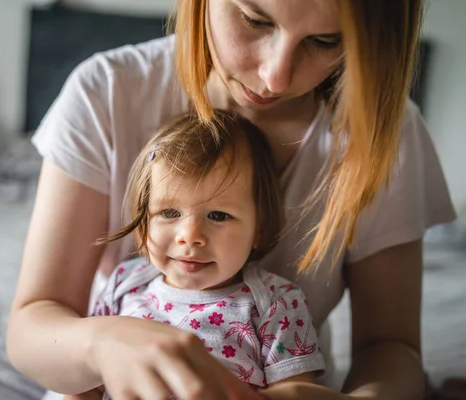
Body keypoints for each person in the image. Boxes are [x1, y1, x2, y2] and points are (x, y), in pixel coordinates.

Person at [7, 0, 456, 399]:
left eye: (323, 40)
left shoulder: (384, 135)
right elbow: (33, 326)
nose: (275, 75)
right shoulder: (105, 91)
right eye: (254, 20)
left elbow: (390, 348)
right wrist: (101, 345)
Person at [63, 110, 326, 400]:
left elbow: (299, 390)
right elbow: (87, 383)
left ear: (259, 229)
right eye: (169, 212)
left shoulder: (276, 302)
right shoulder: (125, 283)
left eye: (218, 215)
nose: (189, 235)